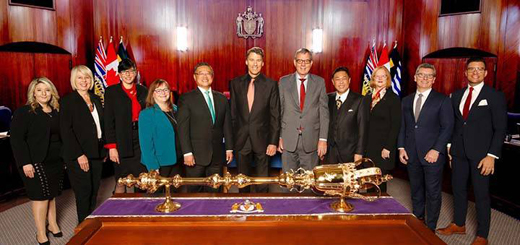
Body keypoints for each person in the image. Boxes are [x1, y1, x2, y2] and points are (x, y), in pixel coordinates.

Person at [437, 57, 507, 245]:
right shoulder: (456, 95)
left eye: (479, 69)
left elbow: (500, 128)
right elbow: (454, 125)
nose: (475, 72)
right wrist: (450, 148)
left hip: (482, 156)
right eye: (471, 69)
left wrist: (491, 156)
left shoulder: (495, 96)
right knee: (458, 191)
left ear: (485, 73)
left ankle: (482, 235)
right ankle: (459, 224)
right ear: (465, 72)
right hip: (459, 153)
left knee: (481, 194)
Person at [398, 63, 454, 231]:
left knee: (433, 192)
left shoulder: (442, 100)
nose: (425, 78)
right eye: (421, 75)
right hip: (411, 153)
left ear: (434, 80)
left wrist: (436, 149)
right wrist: (401, 147)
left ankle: (430, 228)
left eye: (429, 76)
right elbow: (403, 126)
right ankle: (418, 219)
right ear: (415, 77)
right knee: (415, 190)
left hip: (432, 155)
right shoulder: (406, 100)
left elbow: (448, 127)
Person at [10, 77, 64, 245]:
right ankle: (40, 232)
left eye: (47, 90)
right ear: (33, 92)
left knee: (52, 194)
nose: (43, 93)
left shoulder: (55, 110)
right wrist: (25, 162)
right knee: (40, 196)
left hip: (55, 159)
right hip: (34, 161)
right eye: (39, 90)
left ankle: (53, 224)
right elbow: (17, 140)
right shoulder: (24, 112)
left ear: (52, 92)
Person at [229, 47, 280, 193]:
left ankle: (261, 210)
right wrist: (231, 143)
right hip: (241, 139)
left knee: (262, 182)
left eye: (258, 60)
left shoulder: (271, 84)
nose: (255, 63)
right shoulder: (235, 83)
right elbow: (233, 114)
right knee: (242, 181)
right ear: (246, 61)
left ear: (263, 63)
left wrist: (273, 142)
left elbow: (275, 115)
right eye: (252, 60)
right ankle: (243, 210)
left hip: (263, 140)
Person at [177, 62, 233, 192]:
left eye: (208, 73)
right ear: (194, 77)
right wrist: (187, 152)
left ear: (212, 76)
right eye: (201, 73)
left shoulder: (221, 98)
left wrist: (229, 148)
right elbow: (182, 128)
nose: (205, 76)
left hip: (217, 155)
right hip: (195, 157)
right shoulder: (186, 99)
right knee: (194, 192)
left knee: (215, 191)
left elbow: (227, 125)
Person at [60, 65, 106, 224]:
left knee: (94, 191)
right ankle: (83, 227)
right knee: (83, 192)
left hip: (96, 152)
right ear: (74, 80)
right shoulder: (68, 101)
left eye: (86, 77)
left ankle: (91, 223)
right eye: (79, 77)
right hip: (79, 155)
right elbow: (66, 131)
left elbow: (100, 125)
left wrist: (103, 150)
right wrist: (80, 154)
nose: (84, 81)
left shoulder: (95, 98)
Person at [278, 48, 329, 174]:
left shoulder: (319, 82)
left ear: (311, 63)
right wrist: (278, 136)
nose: (303, 64)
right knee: (288, 183)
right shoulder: (283, 82)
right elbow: (279, 110)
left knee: (309, 184)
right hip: (288, 140)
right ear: (294, 62)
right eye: (300, 60)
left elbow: (324, 113)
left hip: (311, 141)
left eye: (306, 61)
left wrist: (323, 139)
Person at [104, 58, 148, 193]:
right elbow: (108, 121)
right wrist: (112, 147)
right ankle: (118, 211)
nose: (128, 75)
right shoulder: (111, 92)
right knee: (121, 180)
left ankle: (140, 212)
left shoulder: (143, 90)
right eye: (124, 72)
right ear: (119, 74)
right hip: (121, 139)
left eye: (131, 71)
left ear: (136, 73)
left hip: (140, 139)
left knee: (141, 180)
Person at [365, 66, 401, 193]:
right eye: (377, 76)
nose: (380, 79)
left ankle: (380, 210)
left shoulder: (393, 99)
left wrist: (388, 147)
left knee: (379, 181)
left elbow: (395, 125)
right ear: (373, 78)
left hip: (383, 148)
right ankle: (369, 209)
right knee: (369, 180)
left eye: (383, 76)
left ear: (388, 79)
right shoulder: (368, 97)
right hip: (368, 147)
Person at [324, 66, 369, 164]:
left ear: (349, 80)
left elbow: (363, 128)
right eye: (337, 79)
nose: (341, 82)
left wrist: (359, 152)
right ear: (332, 82)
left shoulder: (360, 100)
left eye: (344, 79)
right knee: (330, 178)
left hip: (350, 152)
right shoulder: (327, 98)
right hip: (330, 152)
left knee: (349, 179)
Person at [138, 79, 181, 178]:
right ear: (152, 94)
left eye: (166, 90)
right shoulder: (146, 114)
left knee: (175, 192)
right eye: (158, 90)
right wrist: (153, 167)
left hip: (177, 160)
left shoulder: (177, 109)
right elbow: (146, 144)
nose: (163, 93)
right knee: (158, 193)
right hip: (160, 162)